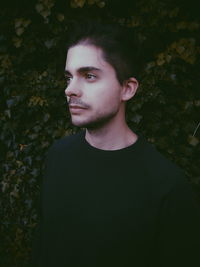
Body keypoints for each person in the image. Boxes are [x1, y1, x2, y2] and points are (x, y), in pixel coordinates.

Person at [31, 19, 200, 267]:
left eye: (89, 76)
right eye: (68, 77)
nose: (70, 90)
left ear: (127, 89)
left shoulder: (167, 187)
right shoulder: (59, 156)